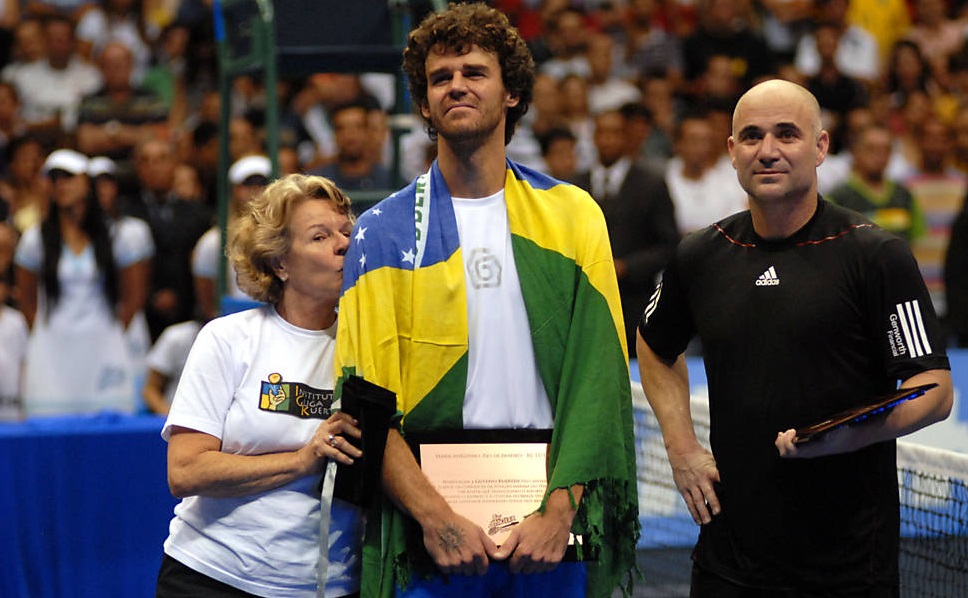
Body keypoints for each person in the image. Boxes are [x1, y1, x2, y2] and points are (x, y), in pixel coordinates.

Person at [335, 4, 639, 597]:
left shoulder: (574, 217)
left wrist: (560, 511)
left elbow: (599, 379)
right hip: (430, 537)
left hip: (553, 530)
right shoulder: (382, 233)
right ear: (423, 104)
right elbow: (363, 400)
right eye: (440, 77)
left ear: (512, 94)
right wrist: (435, 518)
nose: (456, 86)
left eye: (474, 72)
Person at [636, 79, 953, 595]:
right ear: (732, 152)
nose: (768, 151)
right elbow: (651, 344)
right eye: (752, 137)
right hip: (727, 562)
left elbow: (934, 389)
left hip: (849, 568)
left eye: (787, 135)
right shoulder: (700, 254)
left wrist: (848, 435)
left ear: (821, 147)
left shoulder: (877, 257)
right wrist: (682, 448)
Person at [155, 174, 364, 598]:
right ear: (279, 263)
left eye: (347, 233)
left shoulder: (370, 345)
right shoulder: (230, 338)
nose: (343, 244)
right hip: (213, 575)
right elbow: (185, 470)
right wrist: (302, 460)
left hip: (326, 585)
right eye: (320, 237)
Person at [14, 148, 147, 416]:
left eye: (68, 177)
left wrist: (108, 333)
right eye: (54, 179)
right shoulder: (34, 239)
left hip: (103, 349)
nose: (61, 184)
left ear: (87, 182)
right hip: (51, 354)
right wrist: (47, 335)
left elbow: (134, 297)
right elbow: (27, 300)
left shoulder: (119, 236)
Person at [572, 107, 679, 357]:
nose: (608, 139)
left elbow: (669, 245)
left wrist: (627, 267)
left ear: (628, 136)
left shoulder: (651, 184)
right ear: (593, 137)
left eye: (615, 132)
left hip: (634, 307)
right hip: (584, 307)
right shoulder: (573, 185)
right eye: (602, 133)